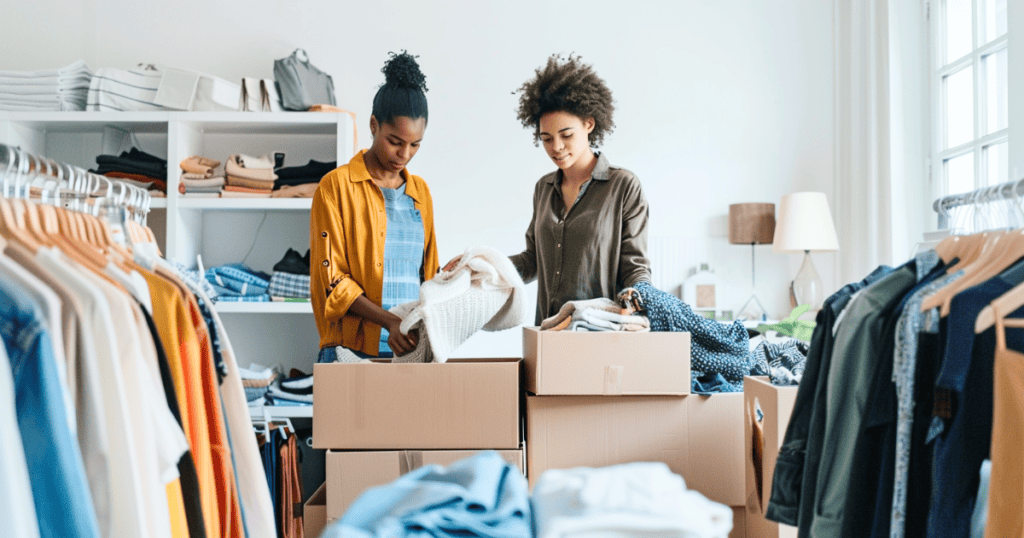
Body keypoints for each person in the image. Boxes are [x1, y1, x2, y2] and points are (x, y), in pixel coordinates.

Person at [448, 54, 651, 325]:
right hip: (548, 332)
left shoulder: (623, 186)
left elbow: (636, 269)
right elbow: (532, 262)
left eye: (566, 135)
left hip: (601, 334)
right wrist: (477, 265)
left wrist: (639, 297)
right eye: (546, 138)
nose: (556, 147)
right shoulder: (543, 189)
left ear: (589, 124)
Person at [311, 51, 438, 361]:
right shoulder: (336, 187)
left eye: (415, 144)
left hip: (409, 352)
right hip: (349, 351)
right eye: (395, 141)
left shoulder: (420, 192)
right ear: (373, 125)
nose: (404, 153)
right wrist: (389, 321)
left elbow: (428, 277)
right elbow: (332, 282)